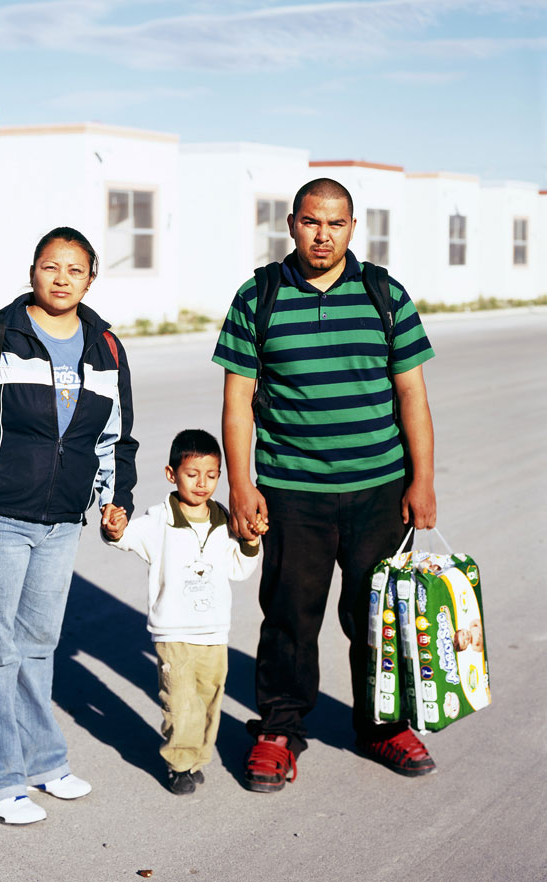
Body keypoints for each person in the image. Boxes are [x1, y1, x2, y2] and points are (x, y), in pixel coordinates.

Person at [212, 178, 438, 792]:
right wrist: (241, 484)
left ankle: (382, 725)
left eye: (335, 224)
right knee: (288, 617)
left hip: (380, 491)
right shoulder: (258, 295)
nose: (323, 235)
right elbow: (236, 403)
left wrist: (423, 480)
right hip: (292, 491)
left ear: (352, 228)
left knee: (379, 619)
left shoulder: (383, 293)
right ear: (291, 224)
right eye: (312, 222)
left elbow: (411, 393)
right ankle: (280, 730)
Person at [0, 226, 137, 824]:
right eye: (49, 266)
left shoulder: (106, 347)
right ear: (32, 271)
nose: (61, 278)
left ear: (92, 279)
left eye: (74, 269)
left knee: (39, 645)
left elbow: (115, 438)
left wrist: (116, 501)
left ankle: (43, 761)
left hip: (61, 521)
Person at [102, 429, 264, 794]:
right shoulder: (158, 519)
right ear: (171, 474)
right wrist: (115, 528)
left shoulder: (224, 521)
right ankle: (179, 764)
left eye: (211, 475)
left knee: (208, 701)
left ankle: (196, 757)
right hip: (174, 633)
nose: (202, 483)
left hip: (215, 633)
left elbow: (239, 569)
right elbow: (127, 538)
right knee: (179, 703)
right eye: (192, 474)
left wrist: (252, 541)